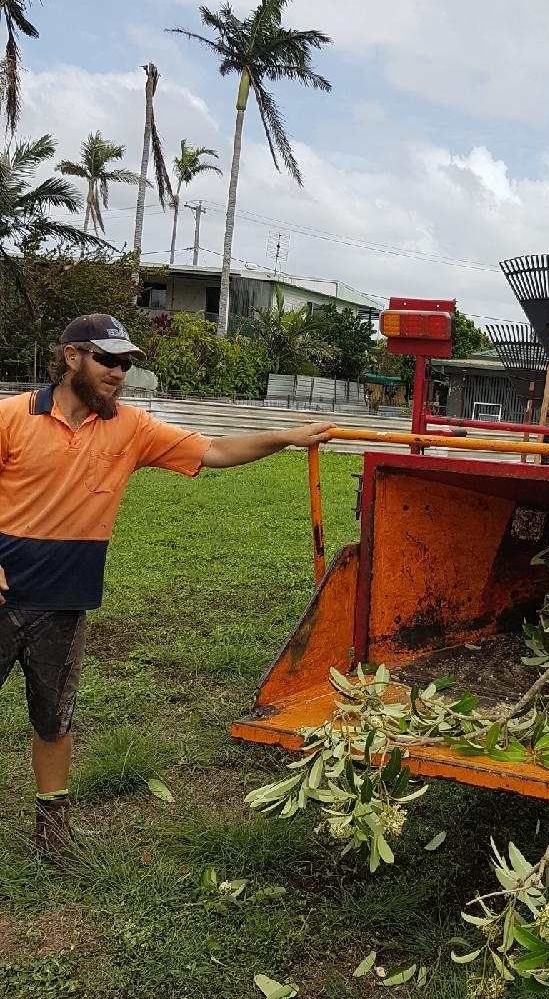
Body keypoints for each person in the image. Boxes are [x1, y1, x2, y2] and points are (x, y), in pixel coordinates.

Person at [0, 314, 333, 859]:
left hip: (64, 602)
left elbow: (214, 452)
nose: (119, 373)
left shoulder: (130, 428)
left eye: (126, 363)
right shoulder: (12, 416)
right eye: (108, 360)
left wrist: (287, 438)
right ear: (71, 357)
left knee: (54, 719)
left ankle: (52, 830)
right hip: (4, 593)